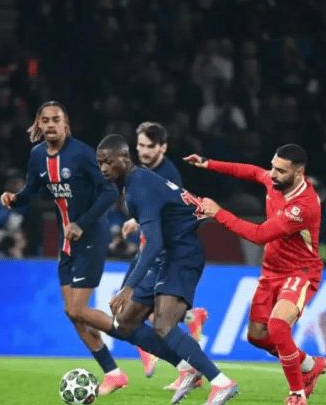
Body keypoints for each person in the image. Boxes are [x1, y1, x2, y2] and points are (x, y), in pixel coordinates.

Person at [96, 134, 239, 405]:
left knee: (164, 325)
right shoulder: (134, 183)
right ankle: (187, 368)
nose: (103, 168)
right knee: (124, 322)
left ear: (124, 158)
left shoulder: (139, 187)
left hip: (181, 255)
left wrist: (128, 287)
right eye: (100, 163)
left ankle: (222, 383)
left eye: (108, 162)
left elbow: (154, 242)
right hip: (165, 257)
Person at [0, 101, 129, 396]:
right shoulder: (37, 156)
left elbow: (110, 191)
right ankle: (114, 373)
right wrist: (15, 199)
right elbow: (32, 191)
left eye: (55, 119)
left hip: (91, 234)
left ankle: (138, 337)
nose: (50, 124)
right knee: (72, 313)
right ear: (39, 124)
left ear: (65, 123)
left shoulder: (82, 154)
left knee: (77, 308)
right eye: (45, 120)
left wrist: (82, 223)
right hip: (67, 239)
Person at [184, 144, 326, 405]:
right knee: (257, 336)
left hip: (300, 272)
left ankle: (297, 394)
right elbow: (251, 171)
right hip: (271, 271)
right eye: (273, 167)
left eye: (280, 170)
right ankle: (309, 364)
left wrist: (219, 213)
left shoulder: (303, 206)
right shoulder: (276, 181)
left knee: (278, 326)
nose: (272, 174)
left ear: (299, 173)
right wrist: (209, 163)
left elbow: (260, 235)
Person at [122, 122, 209, 388]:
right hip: (148, 248)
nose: (143, 151)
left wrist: (139, 222)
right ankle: (190, 322)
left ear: (163, 148)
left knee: (139, 311)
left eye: (150, 146)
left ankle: (181, 362)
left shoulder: (168, 174)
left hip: (161, 252)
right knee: (137, 311)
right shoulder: (145, 172)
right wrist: (136, 221)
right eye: (140, 145)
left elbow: (168, 212)